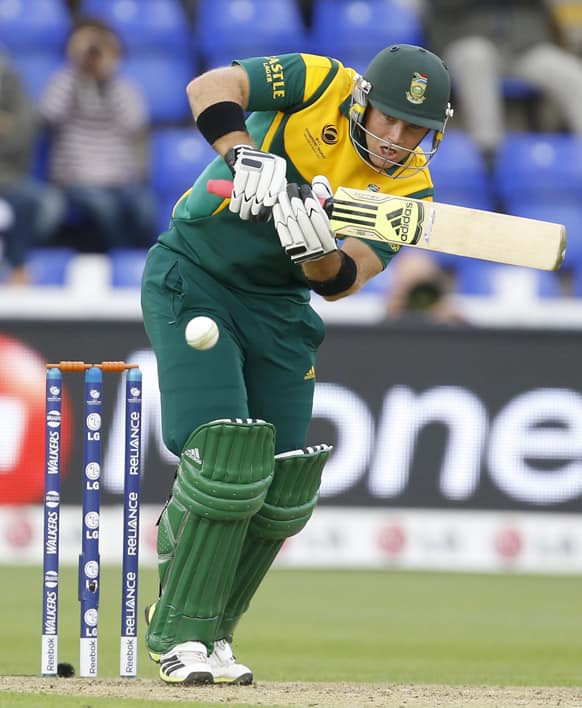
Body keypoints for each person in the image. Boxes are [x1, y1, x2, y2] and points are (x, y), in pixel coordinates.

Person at [140, 44, 453, 685]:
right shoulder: (320, 82)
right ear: (362, 100)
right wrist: (241, 153)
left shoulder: (410, 189)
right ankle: (178, 634)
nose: (395, 138)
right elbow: (210, 85)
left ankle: (214, 630)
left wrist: (313, 249)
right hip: (194, 273)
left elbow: (343, 278)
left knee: (283, 487)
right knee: (225, 457)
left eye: (414, 127)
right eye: (386, 117)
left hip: (281, 306)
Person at [39, 17, 156, 253]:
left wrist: (108, 73)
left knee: (145, 207)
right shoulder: (65, 81)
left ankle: (138, 258)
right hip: (75, 182)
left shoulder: (122, 86)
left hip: (119, 181)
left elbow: (134, 121)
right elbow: (48, 114)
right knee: (104, 208)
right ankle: (120, 259)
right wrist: (76, 69)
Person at [423, 0, 582, 163]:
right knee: (476, 58)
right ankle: (489, 155)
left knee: (572, 74)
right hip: (467, 39)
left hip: (521, 46)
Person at [0, 52, 62, 285]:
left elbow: (21, 135)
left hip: (8, 176)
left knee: (41, 202)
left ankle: (19, 267)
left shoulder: (9, 78)